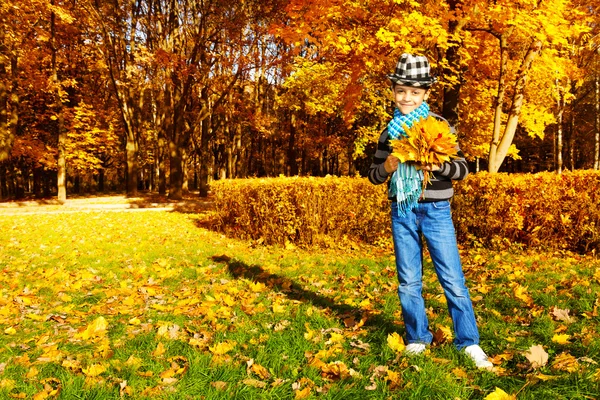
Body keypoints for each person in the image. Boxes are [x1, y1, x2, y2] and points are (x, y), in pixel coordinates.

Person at [368, 53, 493, 369]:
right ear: (393, 92)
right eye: (400, 91)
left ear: (425, 94)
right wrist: (386, 166)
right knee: (408, 279)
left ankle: (469, 342)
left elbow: (463, 169)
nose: (406, 97)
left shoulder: (439, 126)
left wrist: (439, 165)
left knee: (451, 277)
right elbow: (373, 175)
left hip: (436, 211)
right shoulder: (389, 132)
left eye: (413, 92)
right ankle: (417, 338)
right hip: (402, 210)